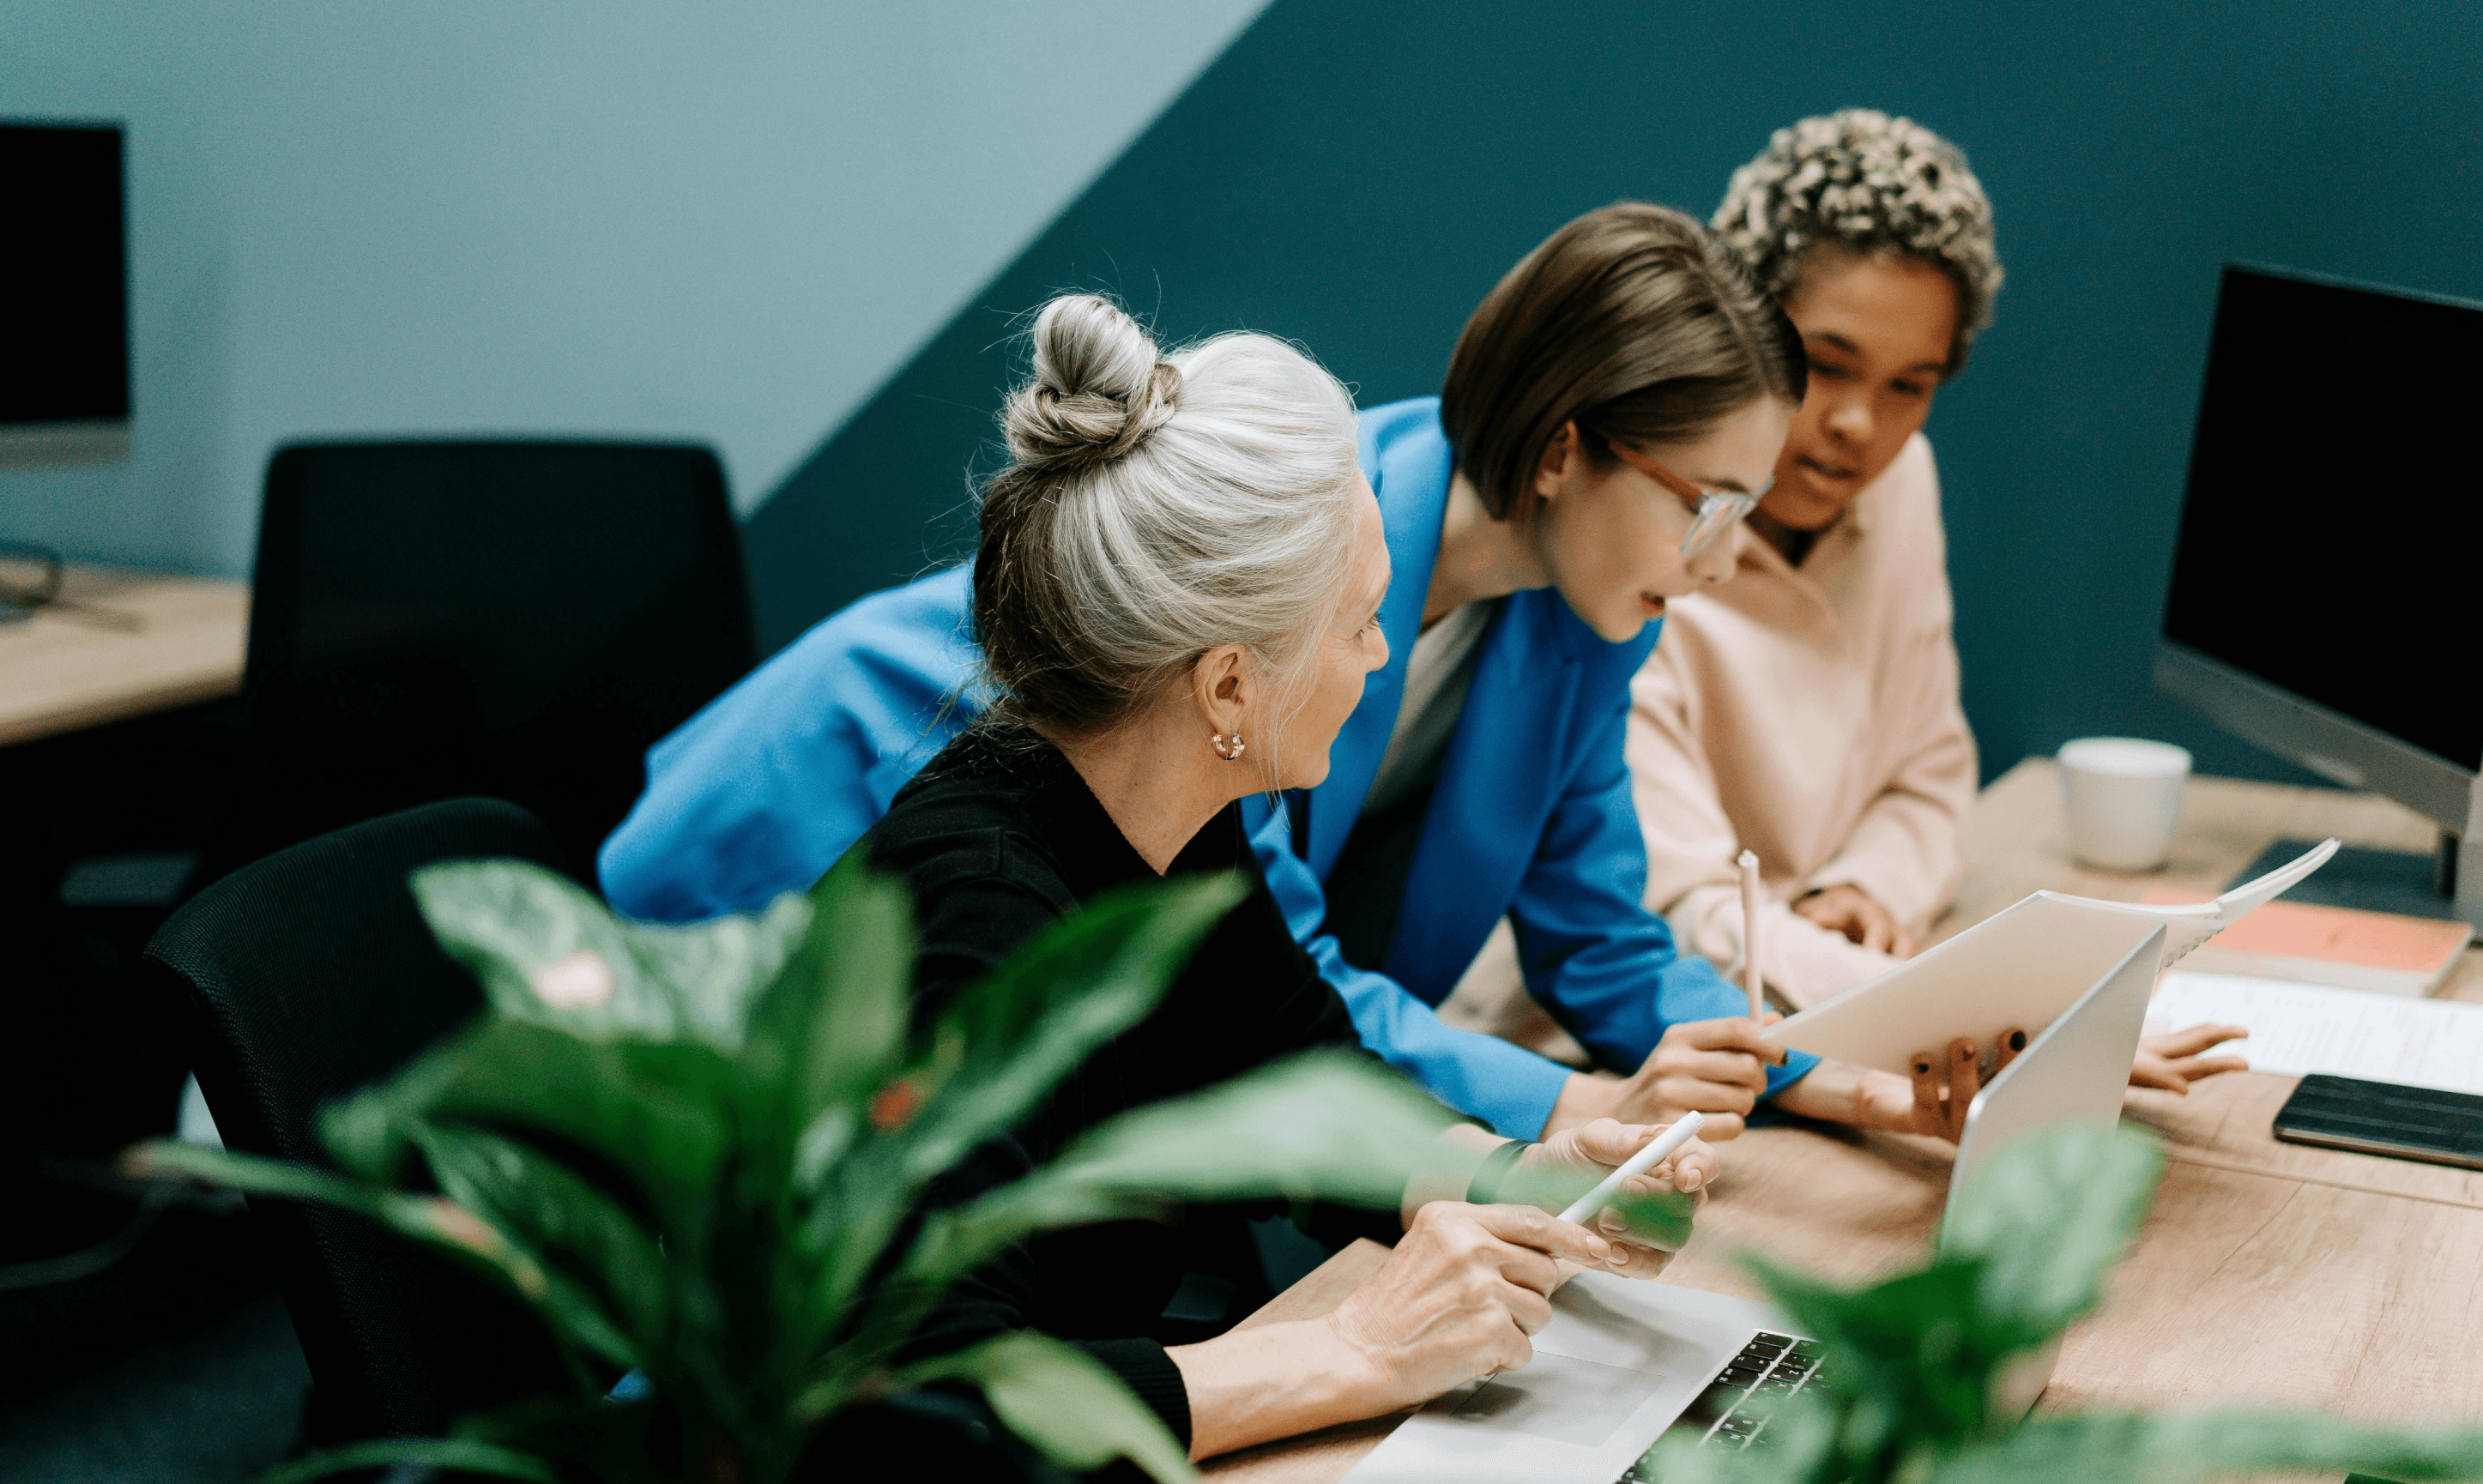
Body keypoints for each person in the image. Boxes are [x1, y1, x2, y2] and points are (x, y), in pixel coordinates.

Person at [602, 202, 1949, 1143]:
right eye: (1707, 507)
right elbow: (1282, 962)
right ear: (1563, 452)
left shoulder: (1592, 612)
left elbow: (1598, 936)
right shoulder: (1299, 566)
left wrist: (1819, 1074)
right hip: (826, 808)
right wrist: (1574, 1111)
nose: (1723, 563)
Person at [871, 293, 1717, 1462]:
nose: (1381, 658)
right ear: (1226, 687)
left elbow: (1307, 1081)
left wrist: (1525, 1176)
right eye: (1361, 622)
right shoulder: (975, 917)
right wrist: (1355, 1348)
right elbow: (921, 1408)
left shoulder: (1178, 826)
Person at [1621, 111, 2243, 1089]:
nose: (1859, 426)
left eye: (1909, 385)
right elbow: (1677, 909)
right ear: (1735, 319)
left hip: (1818, 995)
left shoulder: (1900, 479)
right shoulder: (1639, 533)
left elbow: (1928, 766)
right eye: (1823, 364)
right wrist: (1989, 1011)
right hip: (1649, 1040)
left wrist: (1862, 884)